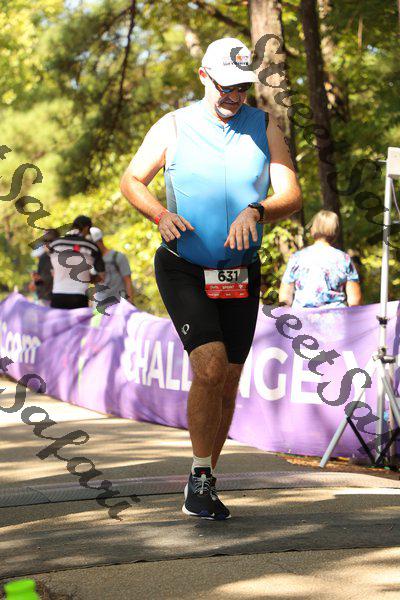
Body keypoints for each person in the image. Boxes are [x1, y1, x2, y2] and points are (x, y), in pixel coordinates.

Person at [120, 37, 302, 520]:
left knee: (229, 379)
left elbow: (291, 194)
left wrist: (256, 209)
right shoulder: (173, 125)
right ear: (204, 77)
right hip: (183, 266)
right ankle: (200, 478)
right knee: (210, 367)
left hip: (239, 272)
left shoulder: (263, 125)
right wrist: (160, 214)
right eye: (227, 86)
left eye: (243, 87)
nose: (235, 96)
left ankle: (203, 477)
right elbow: (131, 180)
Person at [279, 210, 362, 308]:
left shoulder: (297, 257)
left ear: (312, 230)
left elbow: (286, 294)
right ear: (336, 234)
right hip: (336, 315)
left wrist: (285, 311)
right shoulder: (344, 259)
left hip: (303, 315)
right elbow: (354, 299)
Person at [48, 215, 105, 309]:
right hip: (79, 296)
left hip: (57, 295)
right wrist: (87, 277)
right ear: (86, 228)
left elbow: (53, 272)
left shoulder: (55, 244)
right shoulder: (92, 247)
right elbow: (102, 276)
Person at [89, 227, 135, 304]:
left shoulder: (117, 257)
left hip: (118, 305)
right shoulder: (91, 261)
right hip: (100, 307)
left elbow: (128, 281)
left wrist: (130, 303)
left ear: (100, 241)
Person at [29, 229, 58, 305]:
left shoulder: (60, 257)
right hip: (45, 298)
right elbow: (39, 281)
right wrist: (35, 280)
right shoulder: (43, 258)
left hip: (55, 298)